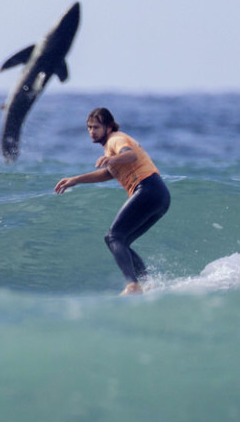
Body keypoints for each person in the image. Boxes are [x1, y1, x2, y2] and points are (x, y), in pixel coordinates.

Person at [54, 108, 171, 295]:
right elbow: (109, 173)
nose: (92, 131)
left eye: (96, 127)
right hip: (159, 195)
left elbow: (130, 154)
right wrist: (77, 179)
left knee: (113, 237)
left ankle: (132, 285)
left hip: (148, 189)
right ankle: (147, 284)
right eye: (89, 128)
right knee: (121, 241)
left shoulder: (115, 139)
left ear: (108, 127)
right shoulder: (110, 144)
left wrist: (111, 158)